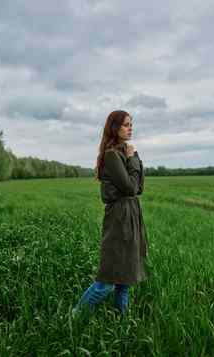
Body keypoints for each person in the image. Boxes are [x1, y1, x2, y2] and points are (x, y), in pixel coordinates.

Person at [72, 110, 149, 318]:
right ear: (114, 128)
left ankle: (121, 324)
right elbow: (130, 187)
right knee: (106, 282)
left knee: (125, 280)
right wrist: (133, 159)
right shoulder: (112, 155)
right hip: (119, 217)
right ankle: (75, 317)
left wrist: (134, 158)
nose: (130, 128)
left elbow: (138, 188)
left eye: (131, 124)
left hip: (132, 214)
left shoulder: (126, 152)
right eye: (126, 124)